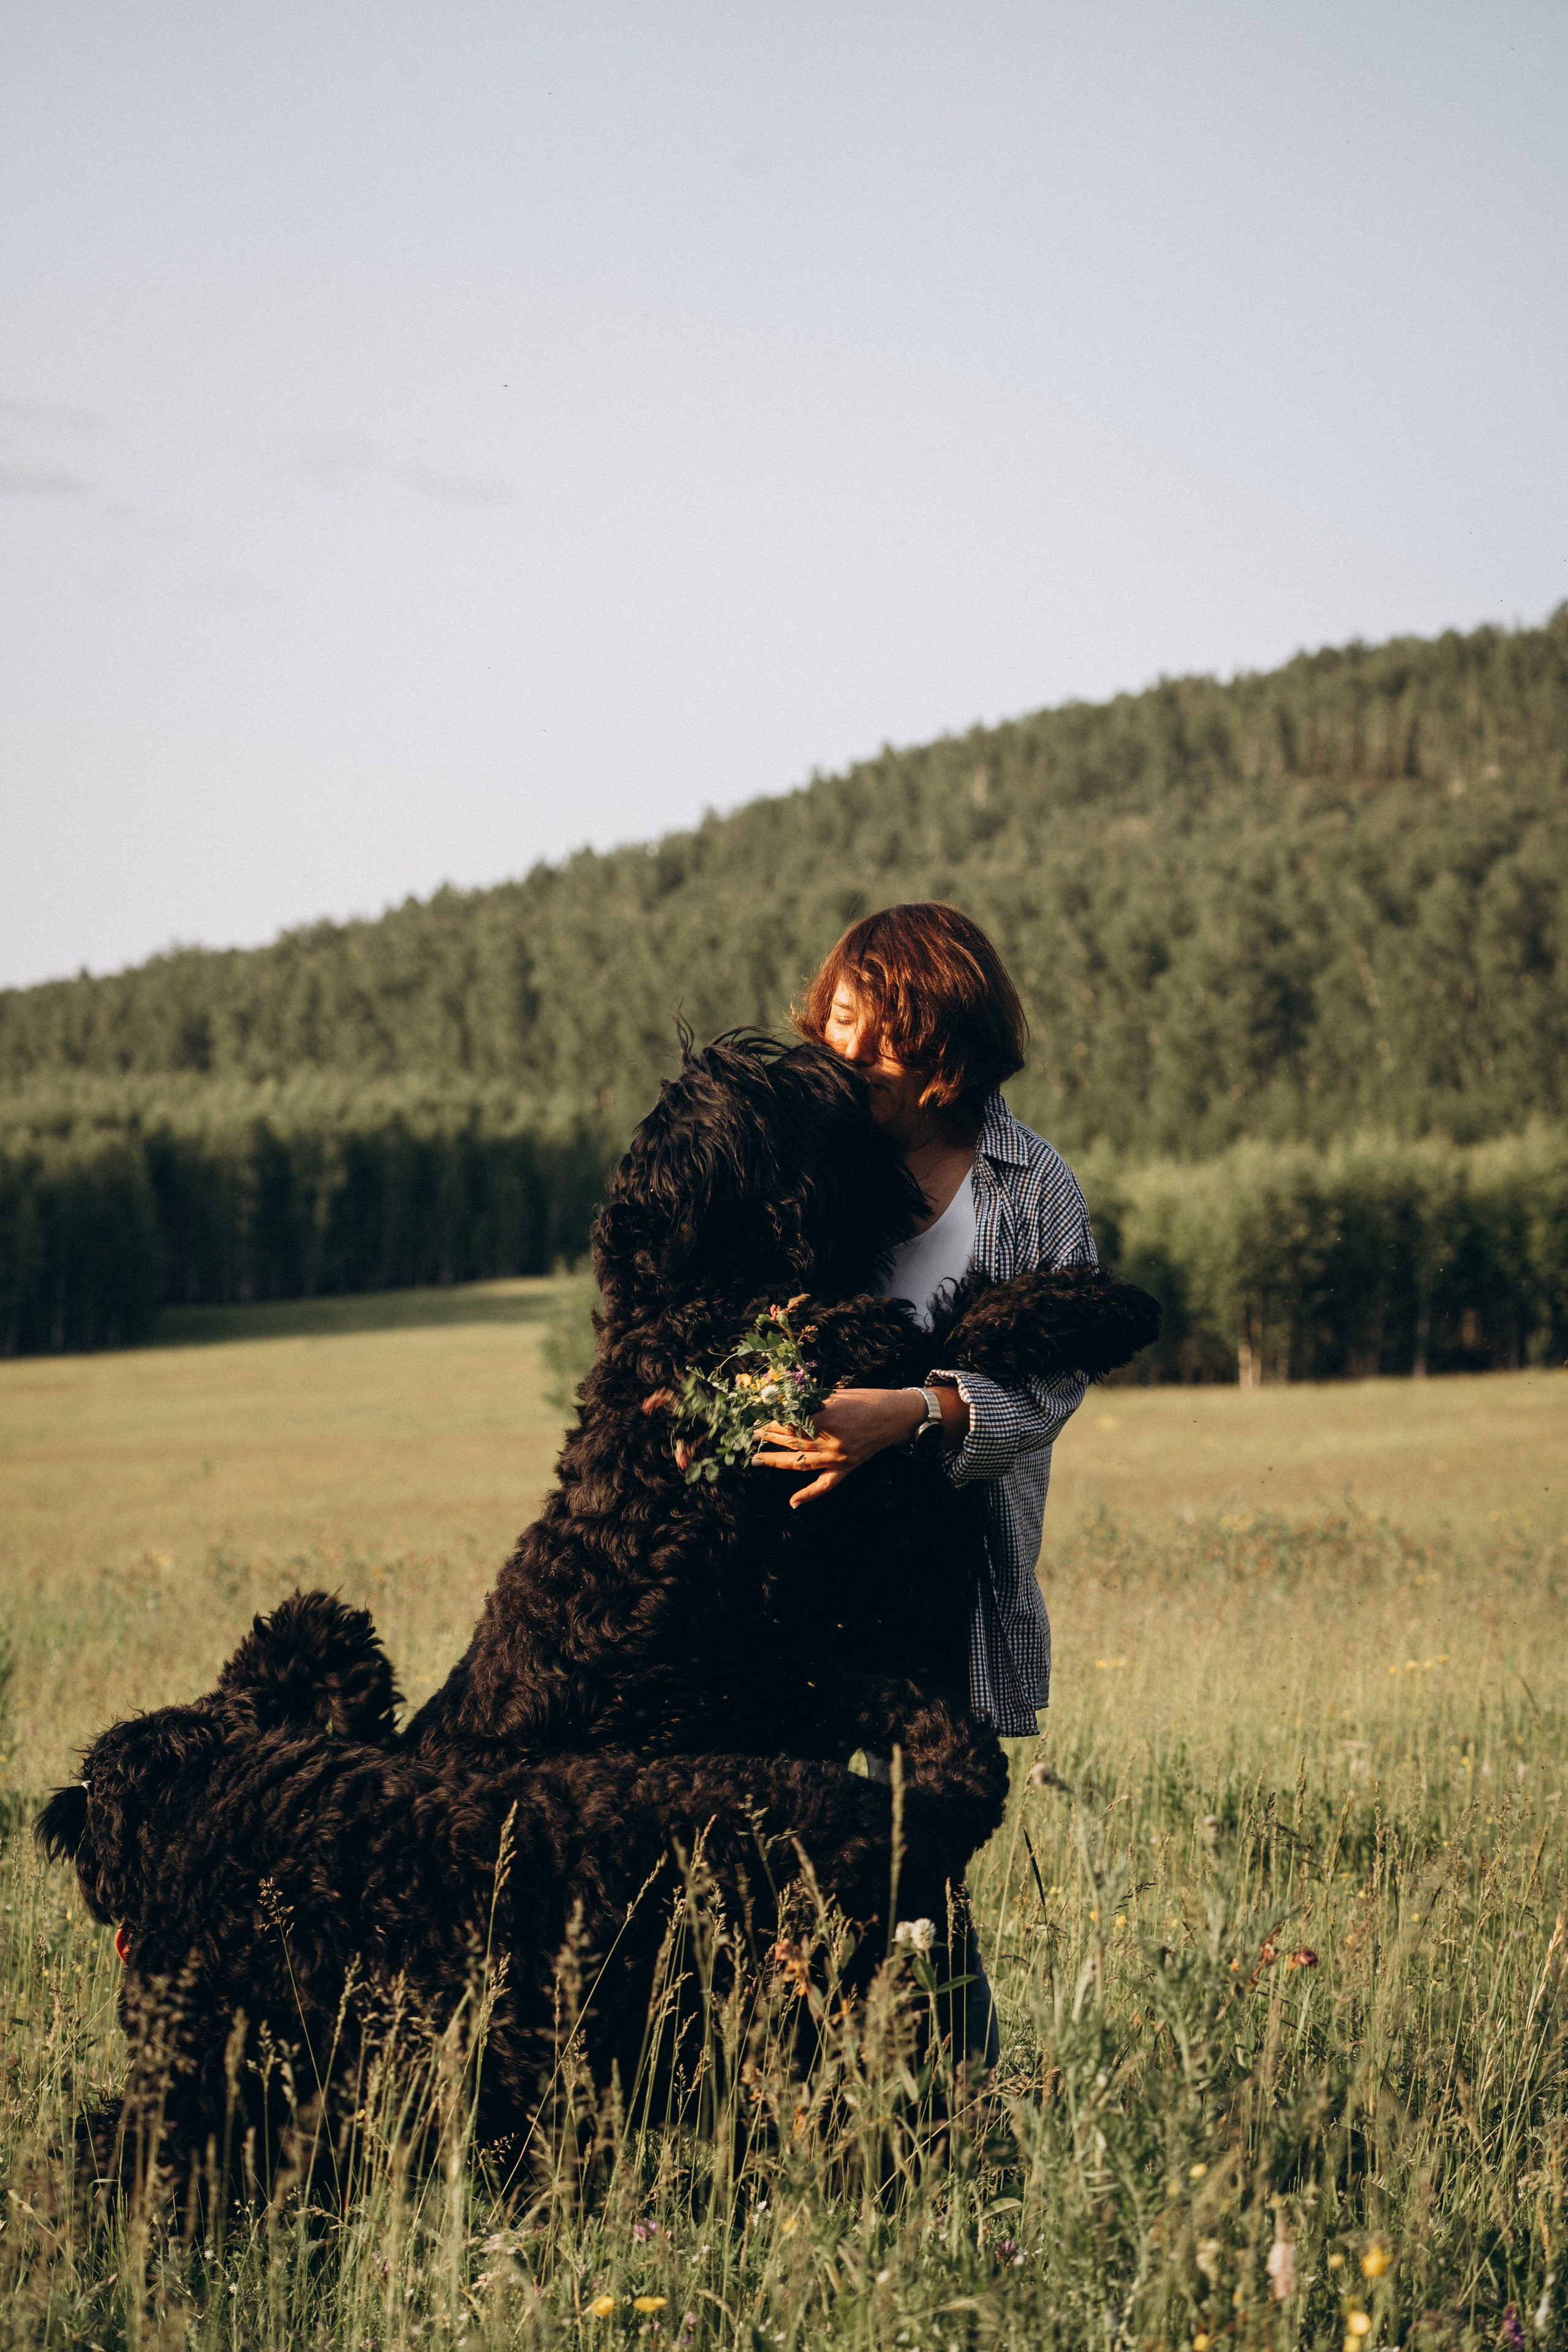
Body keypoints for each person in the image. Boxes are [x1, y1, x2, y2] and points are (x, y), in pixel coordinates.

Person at [755, 902, 1098, 2066]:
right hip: (783, 1567)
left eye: (884, 1033)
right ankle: (780, 2106)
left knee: (921, 1875)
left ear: (951, 1053)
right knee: (770, 1851)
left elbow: (1049, 1392)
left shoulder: (1033, 1187)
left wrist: (906, 1416)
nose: (849, 1054)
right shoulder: (796, 1159)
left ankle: (966, 2120)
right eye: (841, 1020)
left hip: (944, 1587)